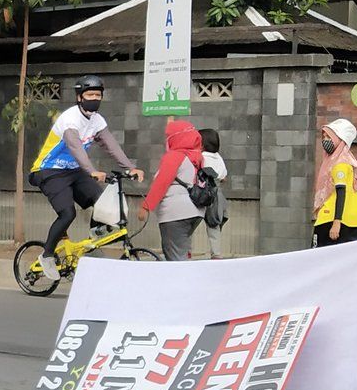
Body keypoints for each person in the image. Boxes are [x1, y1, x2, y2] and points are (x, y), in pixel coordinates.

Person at [27, 76, 142, 276]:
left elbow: (111, 145)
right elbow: (75, 147)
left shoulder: (97, 120)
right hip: (49, 171)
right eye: (90, 95)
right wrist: (91, 171)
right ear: (80, 97)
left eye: (98, 95)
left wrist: (130, 167)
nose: (94, 98)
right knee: (67, 213)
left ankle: (91, 244)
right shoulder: (70, 119)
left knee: (102, 202)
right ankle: (46, 255)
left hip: (73, 171)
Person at [135, 118, 205, 261]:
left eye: (169, 137)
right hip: (195, 211)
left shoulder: (175, 156)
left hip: (175, 212)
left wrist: (146, 206)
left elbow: (161, 183)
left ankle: (181, 283)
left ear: (176, 137)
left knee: (175, 259)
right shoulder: (197, 157)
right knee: (182, 253)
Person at [313, 117, 357, 247]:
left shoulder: (339, 164)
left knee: (318, 259)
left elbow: (341, 192)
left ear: (339, 140)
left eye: (329, 137)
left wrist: (337, 221)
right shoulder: (349, 162)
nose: (325, 140)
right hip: (350, 220)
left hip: (331, 220)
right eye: (323, 137)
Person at [198, 128, 229, 259]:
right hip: (218, 193)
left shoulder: (201, 157)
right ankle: (216, 254)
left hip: (202, 192)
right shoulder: (218, 157)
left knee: (190, 222)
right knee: (215, 224)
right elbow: (224, 177)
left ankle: (186, 251)